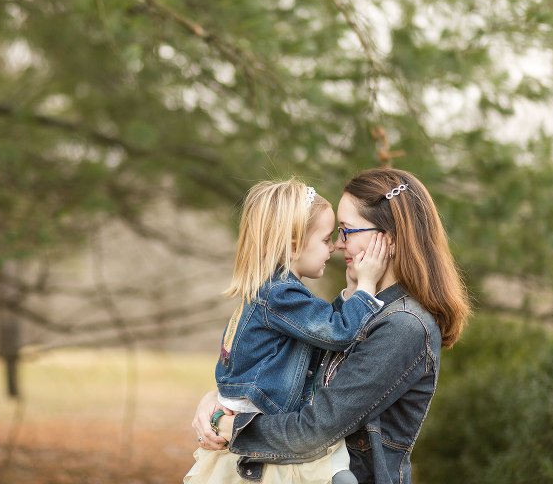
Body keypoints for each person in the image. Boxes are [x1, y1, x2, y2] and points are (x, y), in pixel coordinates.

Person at [192, 168, 470, 484]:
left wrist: (229, 426)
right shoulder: (355, 311)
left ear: (389, 240)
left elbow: (313, 430)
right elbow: (285, 375)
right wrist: (215, 402)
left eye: (346, 231)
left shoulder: (404, 326)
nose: (338, 245)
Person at [185, 178, 388, 484]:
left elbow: (319, 326)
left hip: (258, 415)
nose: (333, 247)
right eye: (325, 239)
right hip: (263, 422)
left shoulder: (274, 291)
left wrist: (349, 295)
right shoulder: (280, 295)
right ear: (294, 247)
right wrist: (367, 287)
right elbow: (339, 333)